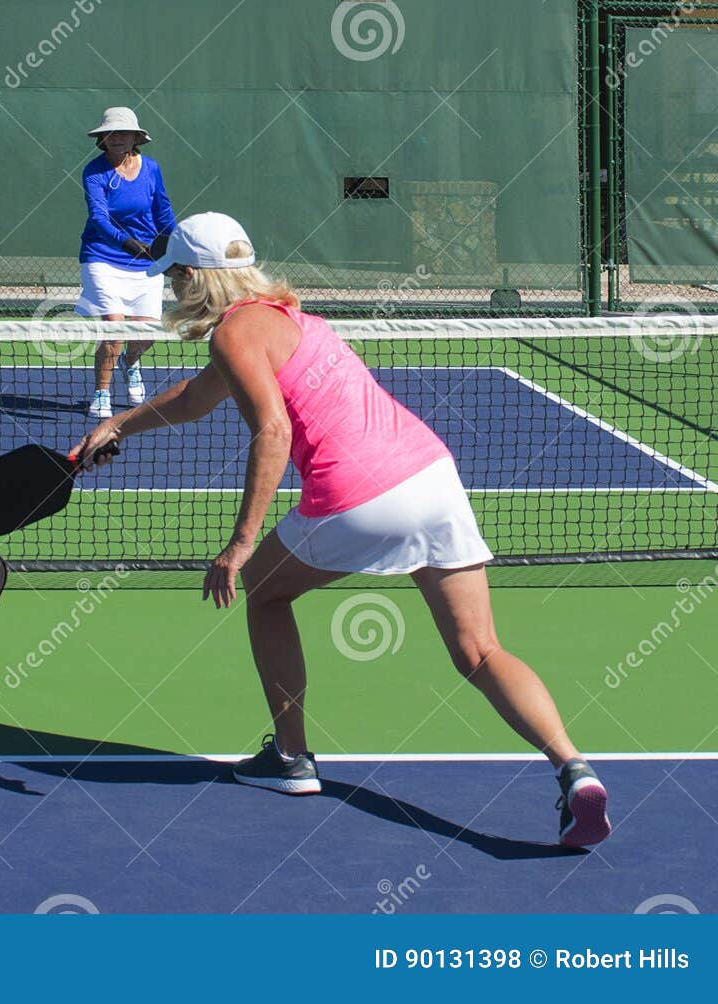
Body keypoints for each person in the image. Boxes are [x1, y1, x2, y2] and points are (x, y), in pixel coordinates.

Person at [71, 213, 612, 848]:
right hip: (432, 476)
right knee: (480, 650)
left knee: (267, 591)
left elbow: (272, 432)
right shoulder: (288, 318)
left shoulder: (234, 335)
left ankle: (292, 759)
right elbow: (196, 398)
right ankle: (574, 770)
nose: (172, 290)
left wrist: (240, 544)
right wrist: (118, 426)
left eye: (176, 278)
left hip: (360, 496)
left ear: (193, 276)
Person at [77, 107, 175, 419]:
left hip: (145, 262)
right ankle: (101, 393)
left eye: (124, 133)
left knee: (145, 335)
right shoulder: (94, 172)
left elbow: (163, 210)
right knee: (115, 328)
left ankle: (130, 363)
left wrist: (173, 244)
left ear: (135, 138)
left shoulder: (152, 168)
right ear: (102, 139)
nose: (117, 137)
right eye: (111, 133)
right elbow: (99, 217)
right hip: (103, 256)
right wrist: (129, 244)